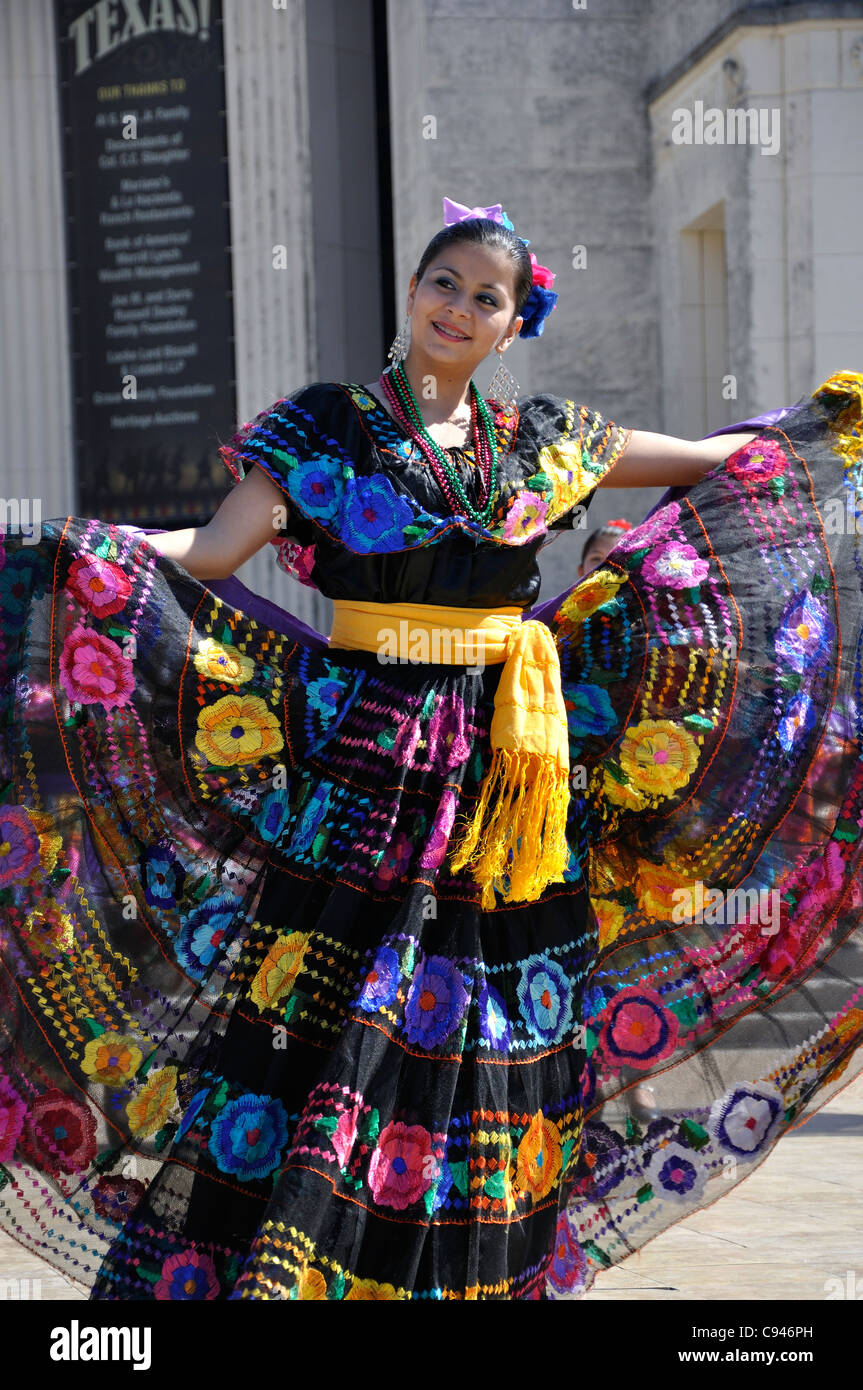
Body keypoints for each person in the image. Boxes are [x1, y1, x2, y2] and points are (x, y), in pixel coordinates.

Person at [1, 198, 861, 1303]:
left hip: (510, 775)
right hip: (363, 760)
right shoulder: (326, 426)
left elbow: (710, 463)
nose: (458, 306)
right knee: (333, 1006)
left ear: (513, 325)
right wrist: (79, 549)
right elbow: (212, 550)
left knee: (496, 1014)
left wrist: (823, 433)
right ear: (412, 293)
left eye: (485, 297)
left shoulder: (544, 439)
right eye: (444, 283)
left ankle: (461, 1279)